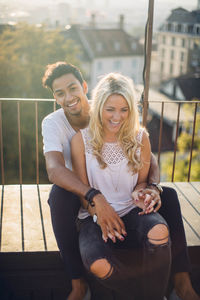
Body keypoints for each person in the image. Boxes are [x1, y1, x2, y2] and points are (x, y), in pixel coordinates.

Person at [41, 61, 199, 300]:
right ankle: (78, 283)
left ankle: (182, 283)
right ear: (54, 96)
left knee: (171, 196)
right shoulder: (55, 124)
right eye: (60, 93)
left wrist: (151, 187)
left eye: (73, 88)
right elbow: (54, 170)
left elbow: (148, 158)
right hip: (81, 194)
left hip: (124, 198)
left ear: (84, 87)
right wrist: (95, 200)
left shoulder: (110, 106)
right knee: (58, 196)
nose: (69, 97)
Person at [71, 72, 171, 300]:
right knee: (98, 265)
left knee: (159, 231)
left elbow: (142, 183)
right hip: (94, 218)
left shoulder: (140, 137)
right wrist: (102, 216)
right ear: (99, 108)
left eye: (124, 110)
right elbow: (82, 193)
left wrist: (144, 192)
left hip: (132, 210)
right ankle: (148, 295)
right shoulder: (81, 140)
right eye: (110, 109)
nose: (117, 116)